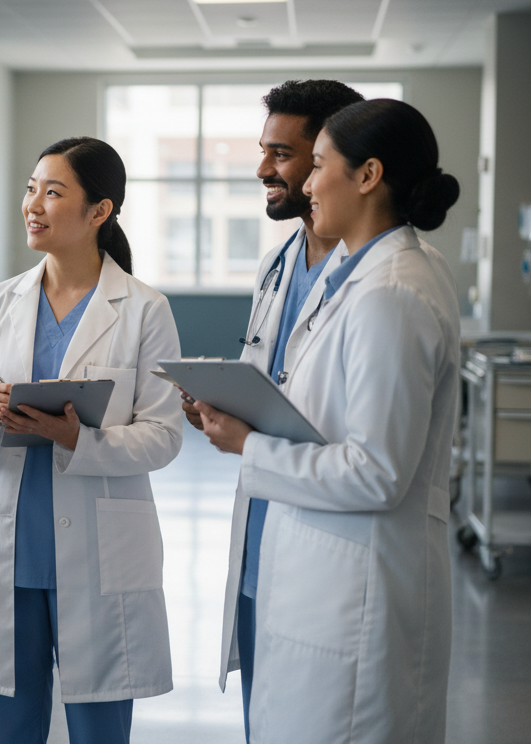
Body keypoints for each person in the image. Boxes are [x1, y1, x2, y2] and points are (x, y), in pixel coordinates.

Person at [194, 98, 461, 743]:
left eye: (316, 165)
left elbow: (376, 474)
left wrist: (250, 446)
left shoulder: (392, 294)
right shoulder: (349, 276)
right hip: (317, 571)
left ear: (367, 175)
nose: (307, 184)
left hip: (359, 588)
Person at [0, 136, 183, 744]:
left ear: (99, 212)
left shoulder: (144, 310)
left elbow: (163, 435)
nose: (34, 205)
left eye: (53, 192)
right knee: (13, 730)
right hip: (9, 546)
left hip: (101, 548)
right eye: (30, 189)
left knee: (100, 728)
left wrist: (79, 438)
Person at [181, 79, 364, 736]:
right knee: (268, 721)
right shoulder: (278, 264)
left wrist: (249, 441)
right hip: (264, 544)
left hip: (329, 562)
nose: (263, 168)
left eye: (281, 154)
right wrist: (216, 409)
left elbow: (375, 458)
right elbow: (272, 389)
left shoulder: (375, 283)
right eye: (265, 150)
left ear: (329, 159)